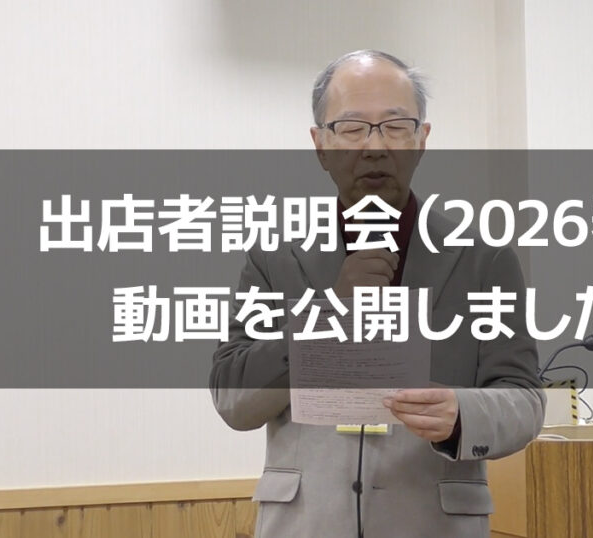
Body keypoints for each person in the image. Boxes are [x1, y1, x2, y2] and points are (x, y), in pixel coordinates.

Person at [210, 50, 545, 538]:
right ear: (321, 145)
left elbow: (525, 399)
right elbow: (233, 400)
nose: (374, 146)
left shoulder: (483, 260)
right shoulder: (274, 259)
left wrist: (462, 415)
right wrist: (329, 314)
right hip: (306, 524)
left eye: (395, 126)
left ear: (422, 140)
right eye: (351, 128)